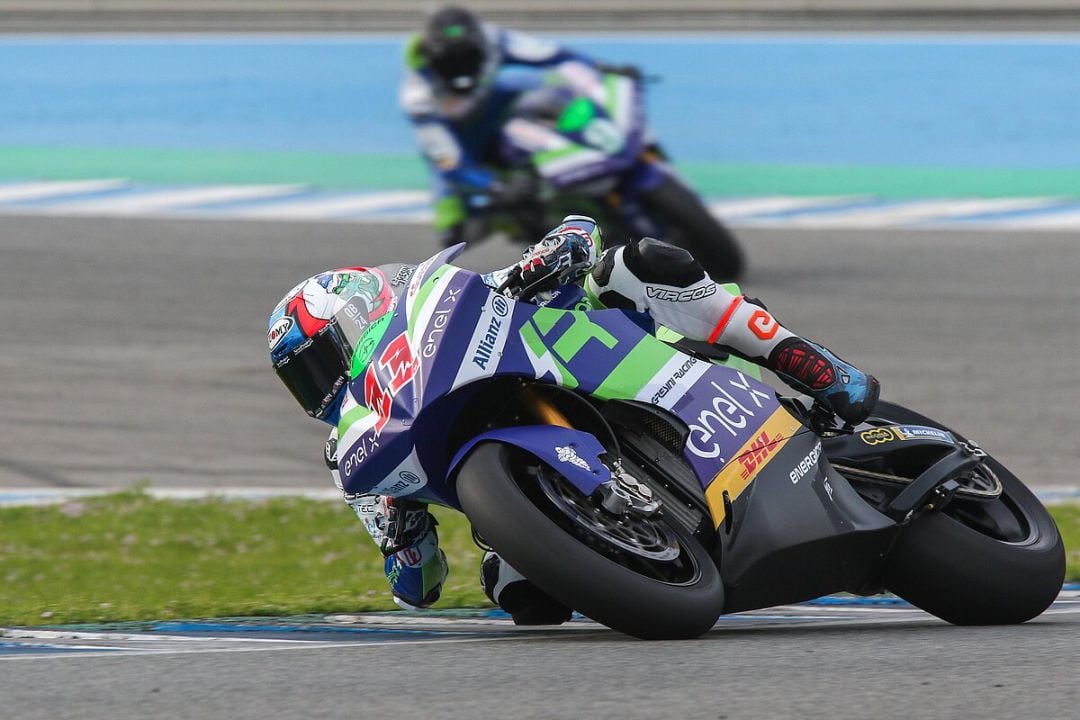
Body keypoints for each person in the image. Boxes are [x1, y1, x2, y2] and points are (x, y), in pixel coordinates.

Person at [267, 216, 880, 625]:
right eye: (304, 380)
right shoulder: (357, 451)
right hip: (529, 484)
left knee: (635, 264)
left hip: (603, 355)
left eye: (319, 363)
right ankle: (636, 551)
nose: (318, 387)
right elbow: (419, 587)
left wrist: (554, 256)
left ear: (355, 317)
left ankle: (808, 363)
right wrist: (400, 539)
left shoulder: (443, 299)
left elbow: (577, 234)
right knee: (515, 592)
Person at [400, 6, 639, 246]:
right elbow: (451, 162)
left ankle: (587, 143)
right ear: (431, 61)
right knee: (452, 231)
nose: (461, 68)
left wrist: (600, 68)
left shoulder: (493, 39)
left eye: (468, 58)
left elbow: (554, 54)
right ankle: (528, 230)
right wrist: (497, 188)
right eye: (450, 63)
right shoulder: (418, 98)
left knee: (549, 84)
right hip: (462, 141)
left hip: (495, 107)